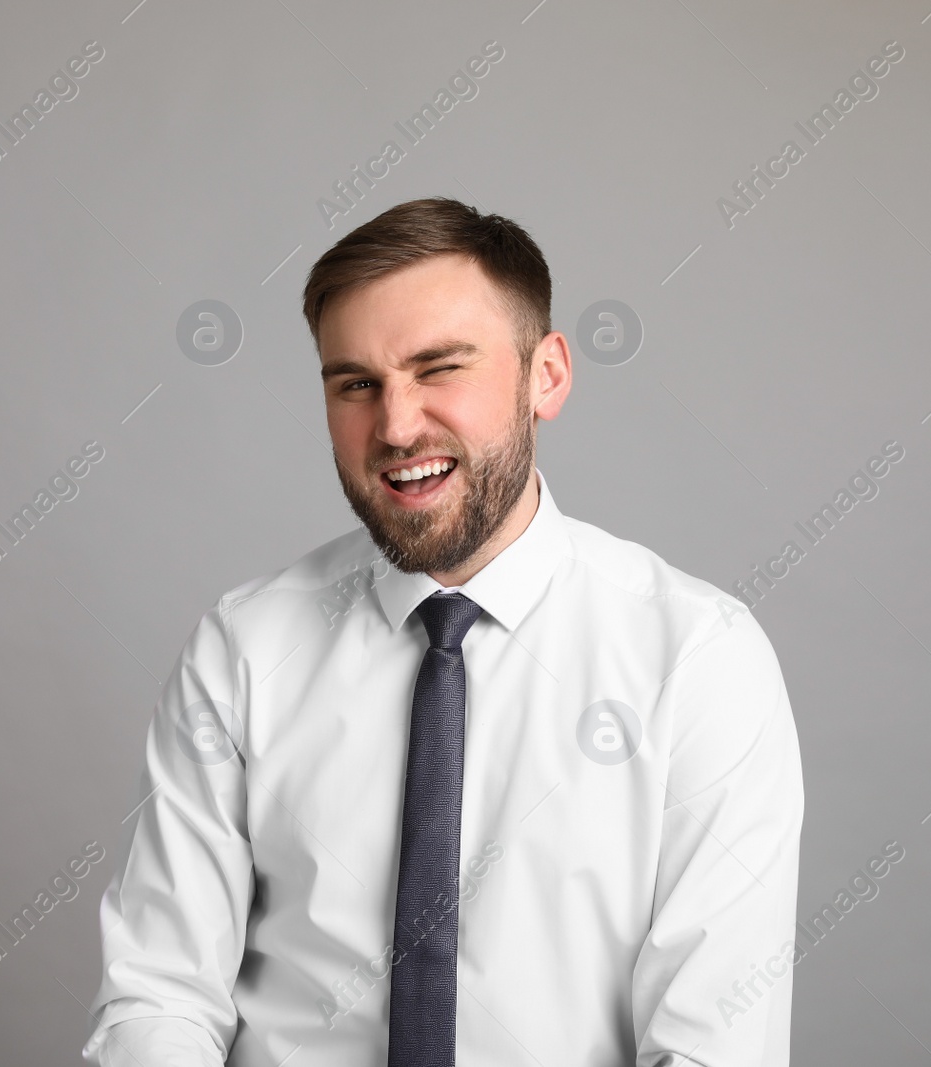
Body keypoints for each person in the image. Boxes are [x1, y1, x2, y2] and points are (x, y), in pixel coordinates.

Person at [82, 197, 803, 1066]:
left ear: (548, 375)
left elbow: (712, 1043)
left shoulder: (697, 661)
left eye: (438, 368)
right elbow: (161, 993)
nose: (394, 425)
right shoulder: (243, 651)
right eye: (356, 383)